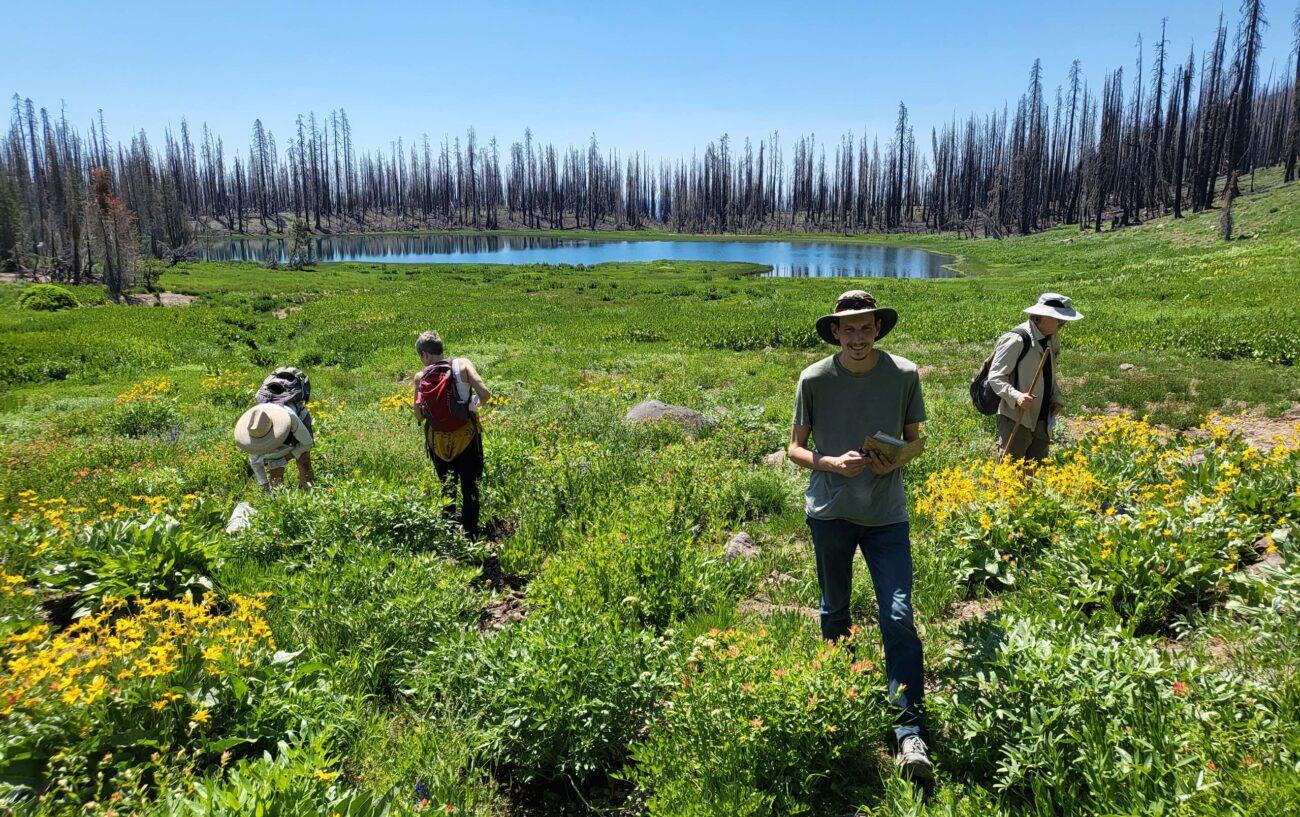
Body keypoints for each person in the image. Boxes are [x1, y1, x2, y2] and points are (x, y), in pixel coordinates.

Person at [786, 289, 932, 779]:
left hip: (887, 514)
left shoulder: (904, 374)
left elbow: (917, 441)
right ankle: (841, 701)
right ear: (834, 332)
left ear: (878, 329)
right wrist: (828, 463)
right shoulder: (814, 379)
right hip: (830, 511)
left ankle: (909, 731)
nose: (857, 337)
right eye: (847, 328)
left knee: (898, 613)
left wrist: (896, 457)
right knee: (835, 609)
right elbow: (794, 448)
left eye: (865, 327)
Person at [986, 293, 1083, 462]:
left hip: (1043, 417)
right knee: (1011, 469)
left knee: (1036, 469)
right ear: (1043, 316)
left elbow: (1050, 372)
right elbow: (995, 376)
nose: (1063, 324)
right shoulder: (1016, 339)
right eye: (1059, 319)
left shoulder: (1052, 338)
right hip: (1016, 416)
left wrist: (1055, 397)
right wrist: (1017, 396)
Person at [414, 330, 492, 539]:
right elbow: (485, 394)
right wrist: (470, 406)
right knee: (470, 488)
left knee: (447, 489)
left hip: (438, 441)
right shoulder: (463, 365)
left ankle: (448, 537)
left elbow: (420, 417)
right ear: (441, 349)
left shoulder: (420, 377)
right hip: (466, 437)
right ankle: (470, 537)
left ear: (424, 355)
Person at [234, 402, 315, 489]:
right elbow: (255, 462)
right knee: (275, 475)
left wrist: (287, 457)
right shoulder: (255, 429)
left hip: (298, 421)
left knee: (304, 460)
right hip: (274, 429)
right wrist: (264, 485)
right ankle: (278, 498)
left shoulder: (289, 416)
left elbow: (306, 444)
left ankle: (307, 490)